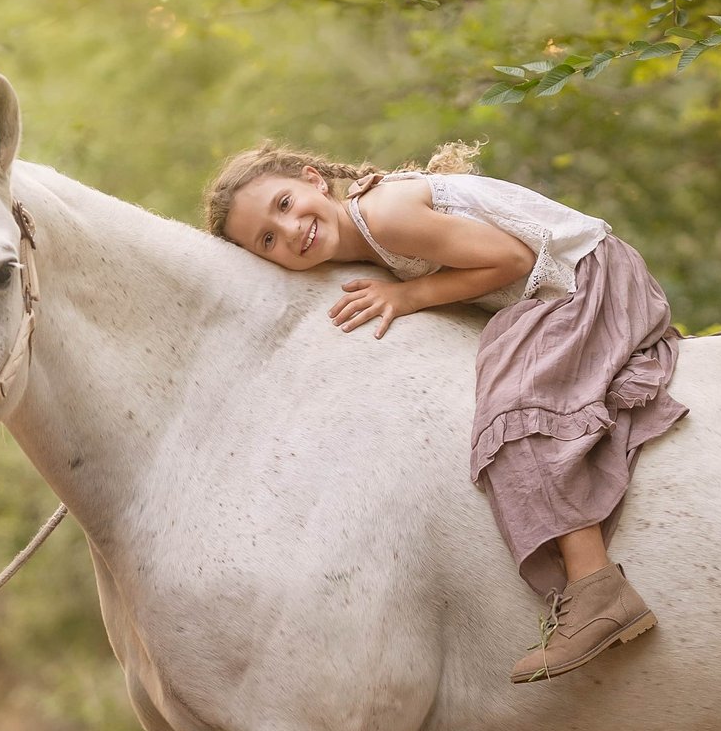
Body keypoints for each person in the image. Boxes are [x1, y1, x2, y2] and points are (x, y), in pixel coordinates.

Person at [207, 143, 686, 681]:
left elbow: (514, 259)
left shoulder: (383, 214)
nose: (291, 229)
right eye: (267, 239)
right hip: (555, 289)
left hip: (586, 279)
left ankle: (597, 587)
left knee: (515, 404)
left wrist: (408, 296)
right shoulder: (359, 237)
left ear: (315, 179)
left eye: (285, 203)